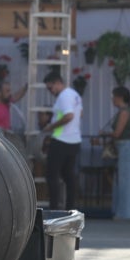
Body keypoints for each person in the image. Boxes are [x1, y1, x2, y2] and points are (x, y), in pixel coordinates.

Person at [42, 69, 83, 210]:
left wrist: (51, 126)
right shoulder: (75, 94)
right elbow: (80, 114)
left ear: (58, 83)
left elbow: (69, 116)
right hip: (74, 140)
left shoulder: (63, 97)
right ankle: (70, 208)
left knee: (52, 175)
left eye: (50, 87)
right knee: (68, 176)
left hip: (61, 140)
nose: (50, 91)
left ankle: (54, 208)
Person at [106, 86, 130, 220]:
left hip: (126, 147)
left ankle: (127, 212)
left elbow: (117, 133)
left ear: (119, 97)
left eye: (114, 96)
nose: (112, 99)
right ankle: (124, 210)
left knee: (126, 180)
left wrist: (105, 134)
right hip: (125, 147)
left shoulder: (124, 112)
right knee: (124, 179)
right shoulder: (124, 111)